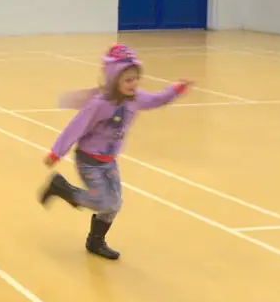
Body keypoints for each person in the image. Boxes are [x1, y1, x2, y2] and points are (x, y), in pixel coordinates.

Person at [38, 45, 189, 260]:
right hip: (89, 160)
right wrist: (56, 152)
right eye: (127, 80)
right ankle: (62, 189)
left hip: (109, 161)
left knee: (115, 204)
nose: (133, 84)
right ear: (113, 80)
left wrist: (175, 90)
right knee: (105, 202)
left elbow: (156, 99)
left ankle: (95, 241)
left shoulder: (135, 99)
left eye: (136, 79)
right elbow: (77, 126)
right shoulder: (100, 104)